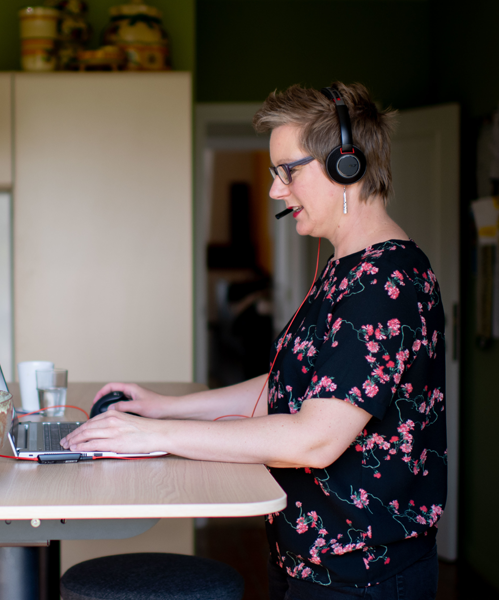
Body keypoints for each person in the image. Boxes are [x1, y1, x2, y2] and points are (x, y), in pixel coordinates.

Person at [62, 82, 447, 599]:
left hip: (362, 574)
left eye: (288, 171)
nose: (276, 191)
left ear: (345, 167)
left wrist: (158, 437)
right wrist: (164, 409)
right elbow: (289, 385)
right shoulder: (346, 270)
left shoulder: (386, 283)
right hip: (311, 559)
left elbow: (315, 437)